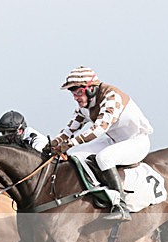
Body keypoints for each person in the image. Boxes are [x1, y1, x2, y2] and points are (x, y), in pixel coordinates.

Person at [50, 66, 154, 221]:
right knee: (76, 155)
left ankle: (120, 205)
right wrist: (54, 143)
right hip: (112, 140)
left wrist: (69, 144)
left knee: (104, 158)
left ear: (91, 89)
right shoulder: (85, 105)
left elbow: (98, 129)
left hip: (136, 141)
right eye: (73, 93)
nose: (75, 97)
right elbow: (70, 129)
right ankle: (94, 191)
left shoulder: (111, 97)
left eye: (78, 92)